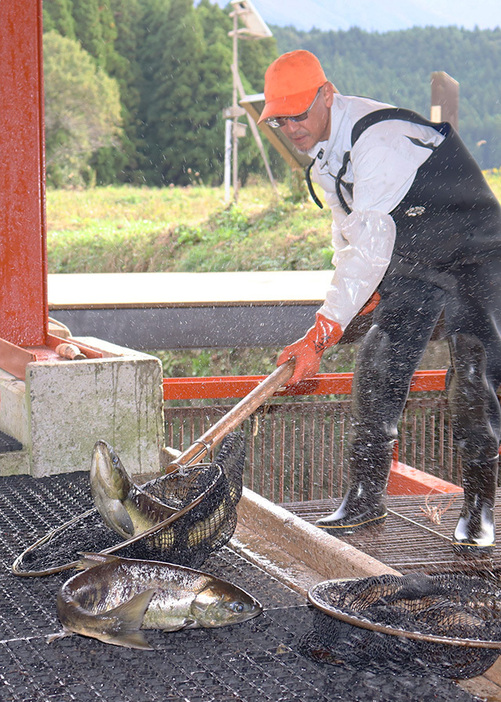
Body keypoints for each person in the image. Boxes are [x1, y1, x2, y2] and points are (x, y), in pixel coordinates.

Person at [257, 49, 501, 555]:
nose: (292, 127)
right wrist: (357, 299)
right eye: (280, 119)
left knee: (472, 375)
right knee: (378, 359)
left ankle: (479, 507)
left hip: (477, 254)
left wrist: (322, 329)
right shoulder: (325, 153)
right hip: (415, 258)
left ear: (327, 94)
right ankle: (366, 495)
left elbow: (370, 243)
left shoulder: (379, 141)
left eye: (299, 113)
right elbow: (347, 234)